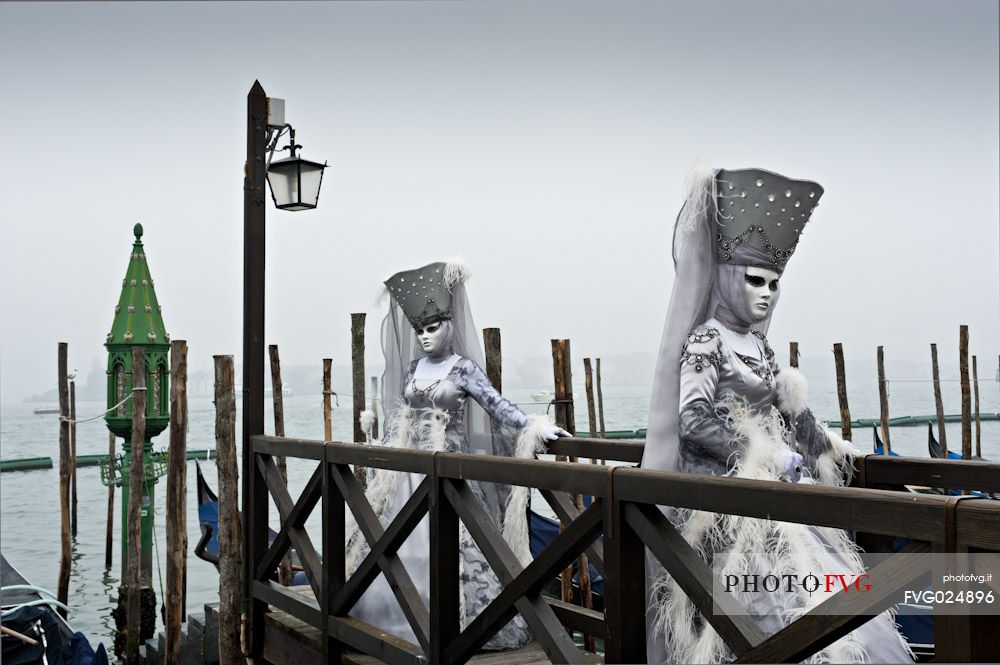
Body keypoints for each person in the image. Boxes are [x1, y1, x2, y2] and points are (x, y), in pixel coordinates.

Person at [642, 167, 913, 663]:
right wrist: (760, 452)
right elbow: (694, 420)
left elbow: (792, 413)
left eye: (774, 283)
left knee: (833, 596)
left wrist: (830, 446)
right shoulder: (705, 340)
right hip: (724, 499)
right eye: (754, 280)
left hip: (779, 491)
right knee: (764, 606)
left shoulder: (760, 347)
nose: (767, 293)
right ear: (726, 278)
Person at [347, 259, 569, 650]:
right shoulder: (415, 367)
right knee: (396, 546)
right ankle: (394, 621)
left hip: (449, 473)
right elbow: (402, 417)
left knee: (454, 546)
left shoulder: (464, 369)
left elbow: (498, 407)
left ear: (449, 325)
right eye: (420, 329)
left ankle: (460, 628)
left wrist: (535, 426)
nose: (425, 336)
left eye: (433, 327)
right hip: (409, 473)